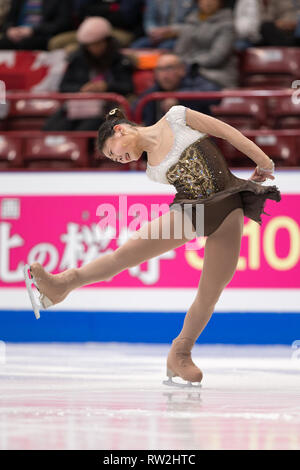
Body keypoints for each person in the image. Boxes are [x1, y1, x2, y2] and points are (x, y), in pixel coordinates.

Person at [25, 105, 281, 386]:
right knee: (123, 257)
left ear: (120, 130)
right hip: (191, 212)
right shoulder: (153, 170)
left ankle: (180, 353)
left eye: (113, 152)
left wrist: (263, 161)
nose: (119, 159)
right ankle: (63, 283)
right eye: (113, 160)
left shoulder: (177, 117)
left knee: (210, 292)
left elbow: (227, 132)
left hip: (230, 208)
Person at [43, 17, 134, 131]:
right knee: (50, 128)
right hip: (78, 107)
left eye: (97, 43)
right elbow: (63, 87)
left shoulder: (120, 61)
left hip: (105, 109)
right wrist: (82, 88)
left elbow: (127, 86)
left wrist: (106, 87)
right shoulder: (77, 59)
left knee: (86, 129)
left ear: (106, 41)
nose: (93, 48)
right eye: (89, 45)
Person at [132, 53, 222, 126]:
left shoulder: (194, 81)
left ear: (181, 70)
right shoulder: (153, 93)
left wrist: (179, 98)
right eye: (159, 69)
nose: (164, 75)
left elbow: (215, 95)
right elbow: (135, 109)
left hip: (196, 142)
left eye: (168, 68)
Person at [174, 0, 238, 89]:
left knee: (183, 94)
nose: (208, 2)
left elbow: (217, 56)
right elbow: (179, 51)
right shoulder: (190, 21)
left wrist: (191, 64)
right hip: (188, 73)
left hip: (215, 76)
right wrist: (183, 65)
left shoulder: (227, 24)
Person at [0, 0, 72, 50]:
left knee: (26, 43)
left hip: (41, 34)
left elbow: (63, 24)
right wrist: (9, 29)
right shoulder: (18, 1)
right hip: (16, 33)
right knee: (4, 43)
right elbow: (9, 20)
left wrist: (33, 31)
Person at [130, 0, 196, 50]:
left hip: (178, 37)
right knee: (136, 46)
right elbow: (149, 19)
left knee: (164, 48)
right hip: (157, 36)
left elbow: (193, 24)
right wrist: (153, 31)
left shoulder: (191, 2)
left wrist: (172, 30)